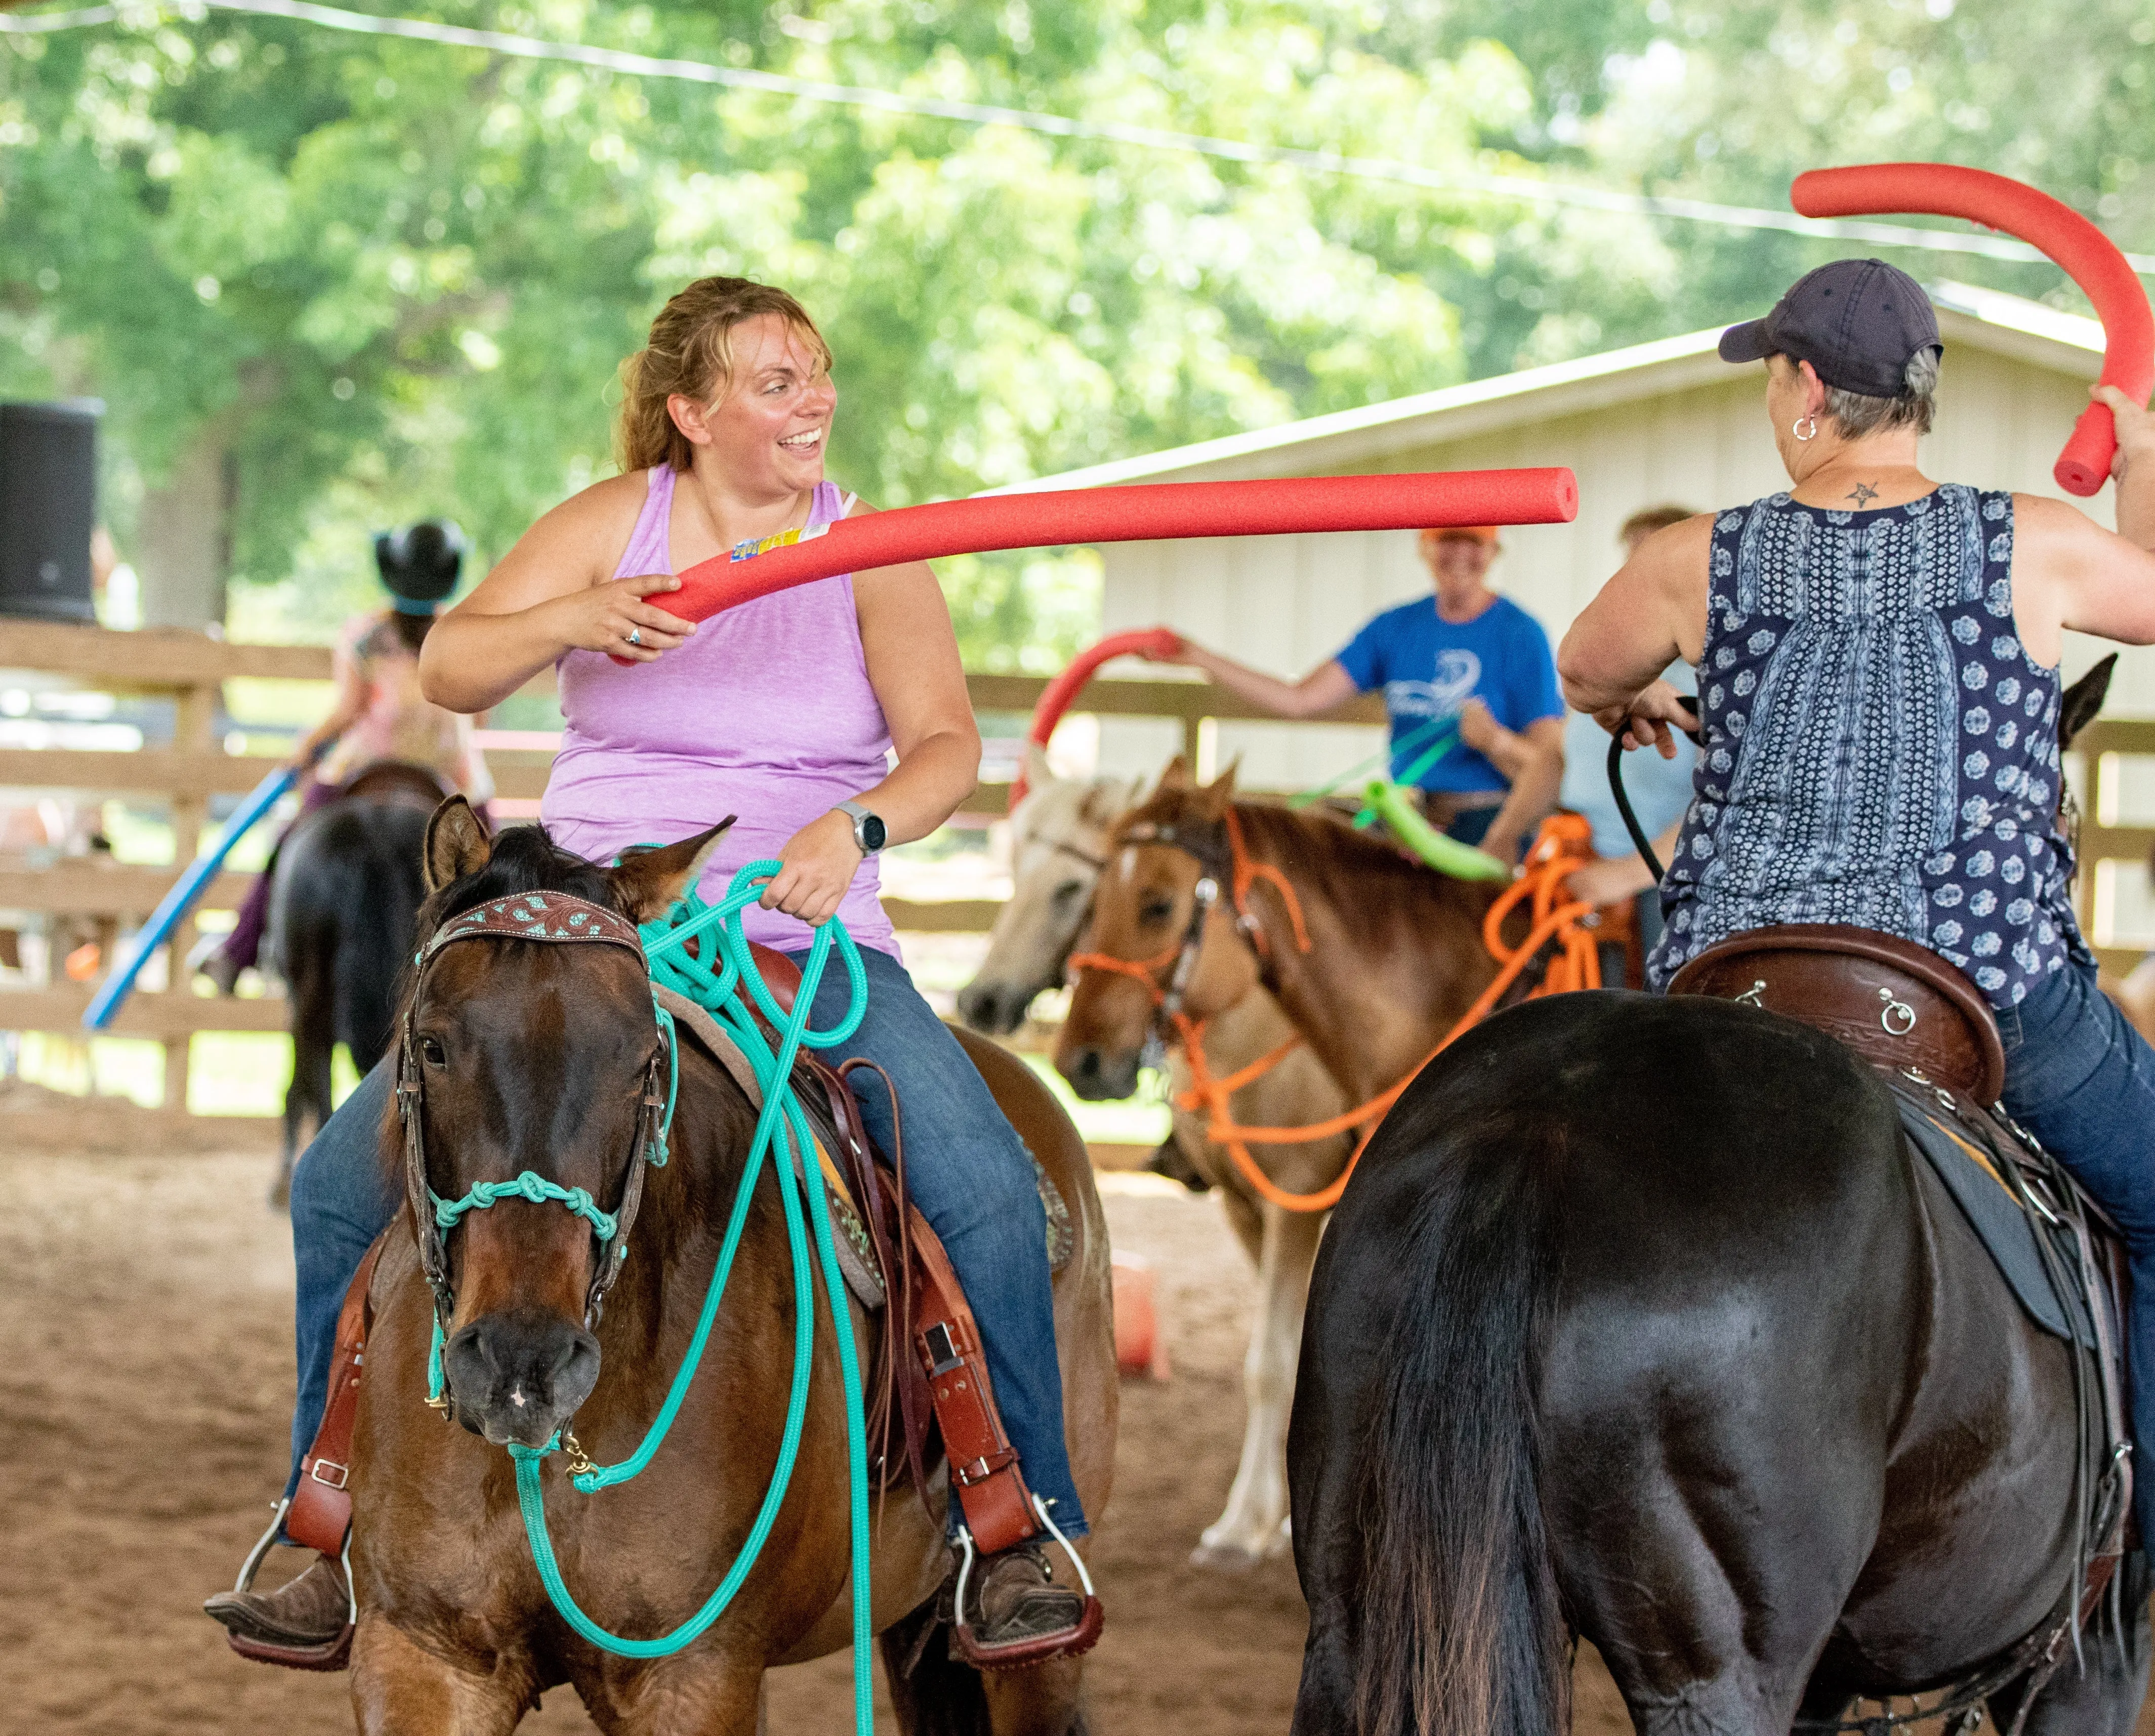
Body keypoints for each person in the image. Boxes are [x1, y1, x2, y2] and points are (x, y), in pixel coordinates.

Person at [203, 278, 1094, 1657]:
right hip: (591, 923)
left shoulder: (873, 547)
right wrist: (582, 615)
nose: (813, 403)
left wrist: (851, 826)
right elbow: (450, 664)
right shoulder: (616, 521)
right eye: (776, 381)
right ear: (694, 410)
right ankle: (319, 1517)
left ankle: (1014, 1516)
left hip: (812, 937)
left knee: (982, 1178)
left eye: (816, 375)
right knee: (339, 1177)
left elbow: (946, 748)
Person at [1557, 256, 2155, 1536]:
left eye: (1773, 376)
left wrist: (1634, 699)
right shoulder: (2034, 545)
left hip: (1744, 988)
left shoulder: (1691, 560)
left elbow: (1581, 665)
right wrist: (2144, 457)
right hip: (1975, 983)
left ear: (1807, 390)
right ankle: (2139, 1527)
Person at [196, 522, 492, 994]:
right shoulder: (467, 636)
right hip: (447, 773)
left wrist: (306, 747)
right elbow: (479, 715)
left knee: (292, 840)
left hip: (366, 766)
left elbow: (349, 709)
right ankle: (497, 961)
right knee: (488, 863)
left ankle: (239, 950)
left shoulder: (364, 636)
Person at [1157, 525, 1565, 865]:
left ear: (1494, 551)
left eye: (1473, 542)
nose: (1460, 553)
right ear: (1425, 547)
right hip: (1408, 817)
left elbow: (1551, 765)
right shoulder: (1395, 628)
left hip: (1492, 821)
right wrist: (1197, 656)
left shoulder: (1521, 634)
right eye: (1447, 540)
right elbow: (1299, 700)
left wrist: (1497, 742)